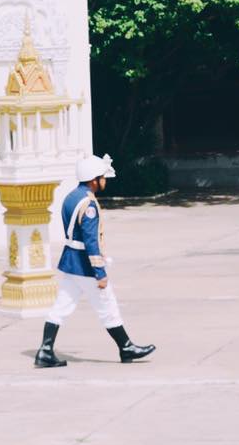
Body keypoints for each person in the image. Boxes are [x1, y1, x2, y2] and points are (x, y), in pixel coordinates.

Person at [34, 154, 156, 367]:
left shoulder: (71, 196)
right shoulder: (88, 204)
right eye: (102, 177)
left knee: (61, 307)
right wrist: (100, 273)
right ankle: (126, 347)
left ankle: (45, 350)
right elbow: (91, 242)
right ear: (93, 180)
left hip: (71, 262)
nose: (104, 181)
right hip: (84, 265)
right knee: (107, 306)